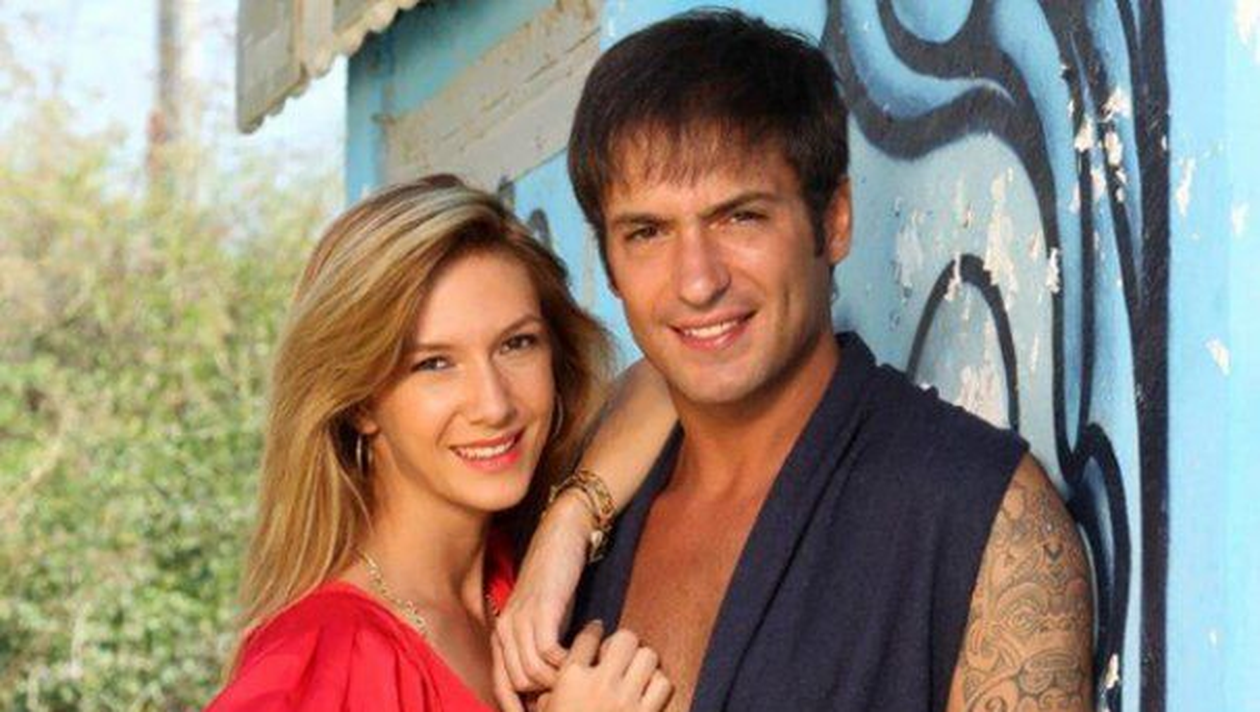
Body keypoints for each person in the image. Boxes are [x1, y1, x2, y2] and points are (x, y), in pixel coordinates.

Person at [494, 10, 1095, 712]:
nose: (697, 281)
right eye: (648, 232)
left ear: (833, 220)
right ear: (610, 265)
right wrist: (571, 515)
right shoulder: (573, 526)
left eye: (739, 217)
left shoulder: (981, 514)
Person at [205, 175, 676, 712]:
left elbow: (675, 373)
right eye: (434, 364)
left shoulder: (516, 577)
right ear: (360, 403)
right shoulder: (324, 656)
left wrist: (568, 522)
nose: (493, 405)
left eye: (516, 343)